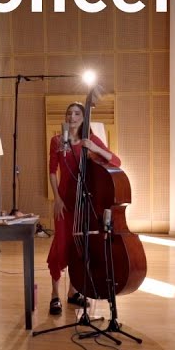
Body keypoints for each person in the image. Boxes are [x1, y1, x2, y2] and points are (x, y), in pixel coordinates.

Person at [46, 102, 120, 315]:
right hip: (63, 203)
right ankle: (54, 295)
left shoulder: (90, 140)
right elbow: (52, 171)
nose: (72, 116)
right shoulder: (58, 141)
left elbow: (115, 161)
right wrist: (57, 198)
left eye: (77, 113)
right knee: (61, 246)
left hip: (84, 204)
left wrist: (95, 148)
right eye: (69, 113)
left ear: (84, 116)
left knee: (79, 248)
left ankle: (72, 293)